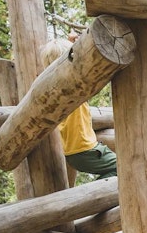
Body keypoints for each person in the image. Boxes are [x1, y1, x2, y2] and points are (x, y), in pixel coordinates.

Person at [41, 36, 118, 181]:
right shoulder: (74, 84)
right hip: (86, 151)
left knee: (120, 168)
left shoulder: (55, 87)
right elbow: (88, 65)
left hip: (74, 153)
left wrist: (74, 43)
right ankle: (95, 196)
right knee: (125, 167)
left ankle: (96, 192)